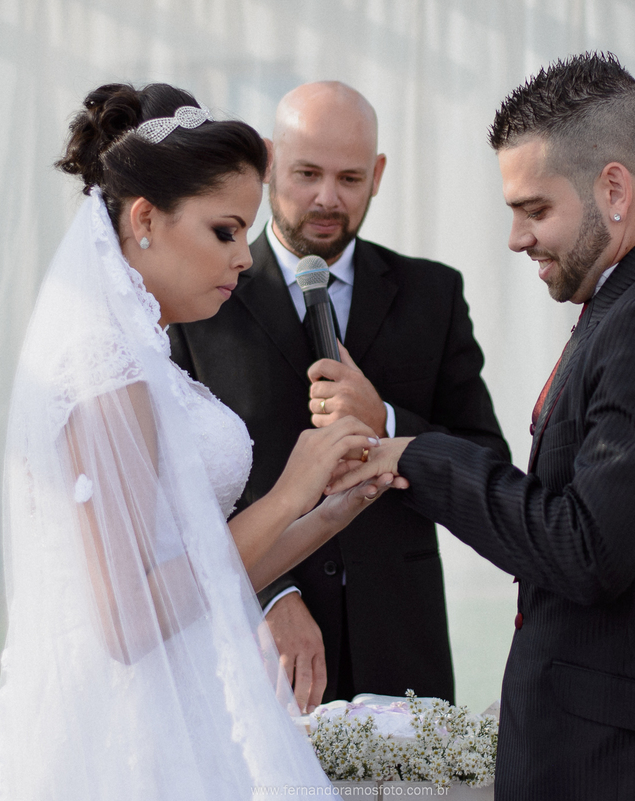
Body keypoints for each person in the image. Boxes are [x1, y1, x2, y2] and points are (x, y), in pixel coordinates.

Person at [0, 83, 396, 800]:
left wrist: (332, 509)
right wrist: (292, 488)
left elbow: (197, 575)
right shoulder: (101, 366)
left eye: (245, 232)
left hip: (185, 697)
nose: (244, 256)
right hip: (121, 737)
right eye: (224, 230)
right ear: (145, 219)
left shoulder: (140, 356)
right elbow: (125, 619)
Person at [331, 54, 635, 800]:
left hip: (630, 769)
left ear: (614, 190)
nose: (517, 239)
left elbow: (584, 548)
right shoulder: (628, 308)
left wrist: (418, 457)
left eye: (535, 210)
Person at [169, 81, 509, 713]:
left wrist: (385, 420)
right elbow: (175, 478)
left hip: (403, 649)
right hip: (255, 650)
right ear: (270, 162)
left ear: (378, 174)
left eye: (351, 178)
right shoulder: (197, 296)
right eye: (307, 174)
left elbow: (484, 456)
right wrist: (269, 591)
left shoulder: (433, 295)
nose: (328, 198)